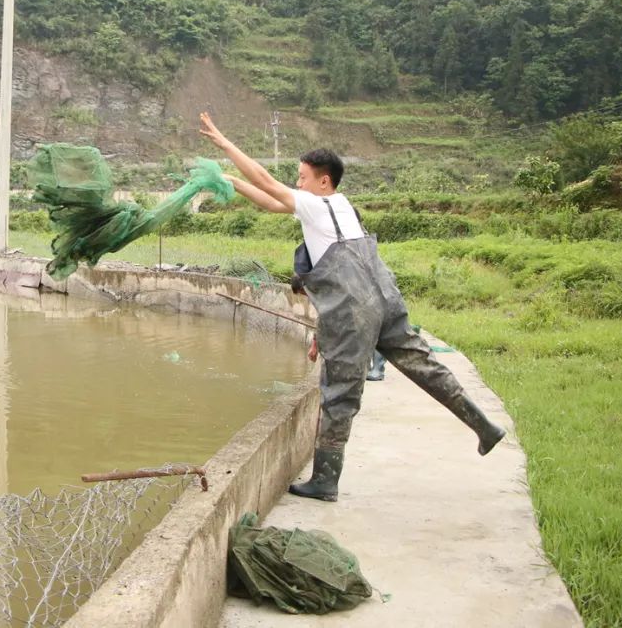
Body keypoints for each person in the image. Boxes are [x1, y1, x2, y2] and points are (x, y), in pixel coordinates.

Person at [199, 112, 505, 502]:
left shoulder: (314, 205)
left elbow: (268, 183)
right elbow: (270, 200)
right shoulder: (341, 206)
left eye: (303, 177)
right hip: (386, 297)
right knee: (424, 364)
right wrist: (229, 182)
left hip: (353, 310)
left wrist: (224, 144)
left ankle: (326, 480)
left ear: (322, 180)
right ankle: (483, 426)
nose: (297, 183)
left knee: (340, 392)